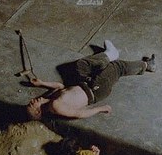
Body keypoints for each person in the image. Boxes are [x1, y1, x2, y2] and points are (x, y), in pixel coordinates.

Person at [26, 40, 155, 120]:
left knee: (80, 65)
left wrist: (41, 83)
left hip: (84, 82)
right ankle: (147, 65)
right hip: (96, 90)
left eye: (30, 102)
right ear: (38, 112)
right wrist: (100, 109)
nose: (32, 101)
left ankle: (110, 54)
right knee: (117, 67)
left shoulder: (49, 100)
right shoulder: (56, 107)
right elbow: (79, 114)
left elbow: (60, 86)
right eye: (32, 105)